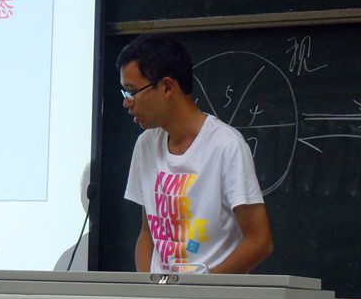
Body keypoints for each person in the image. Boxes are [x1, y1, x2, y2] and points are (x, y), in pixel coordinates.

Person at [117, 34, 273, 274]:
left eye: (132, 92)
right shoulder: (146, 144)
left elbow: (260, 242)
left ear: (167, 87)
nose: (127, 103)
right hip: (160, 294)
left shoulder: (226, 146)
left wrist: (203, 288)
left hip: (207, 294)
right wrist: (147, 288)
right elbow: (148, 232)